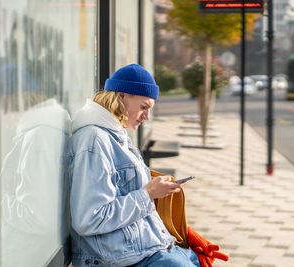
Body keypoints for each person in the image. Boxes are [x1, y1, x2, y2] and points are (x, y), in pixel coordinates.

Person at [68, 64, 200, 267]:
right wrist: (147, 194)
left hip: (147, 248)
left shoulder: (117, 134)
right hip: (124, 258)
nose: (146, 117)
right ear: (122, 96)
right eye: (144, 107)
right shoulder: (95, 140)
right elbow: (89, 218)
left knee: (195, 257)